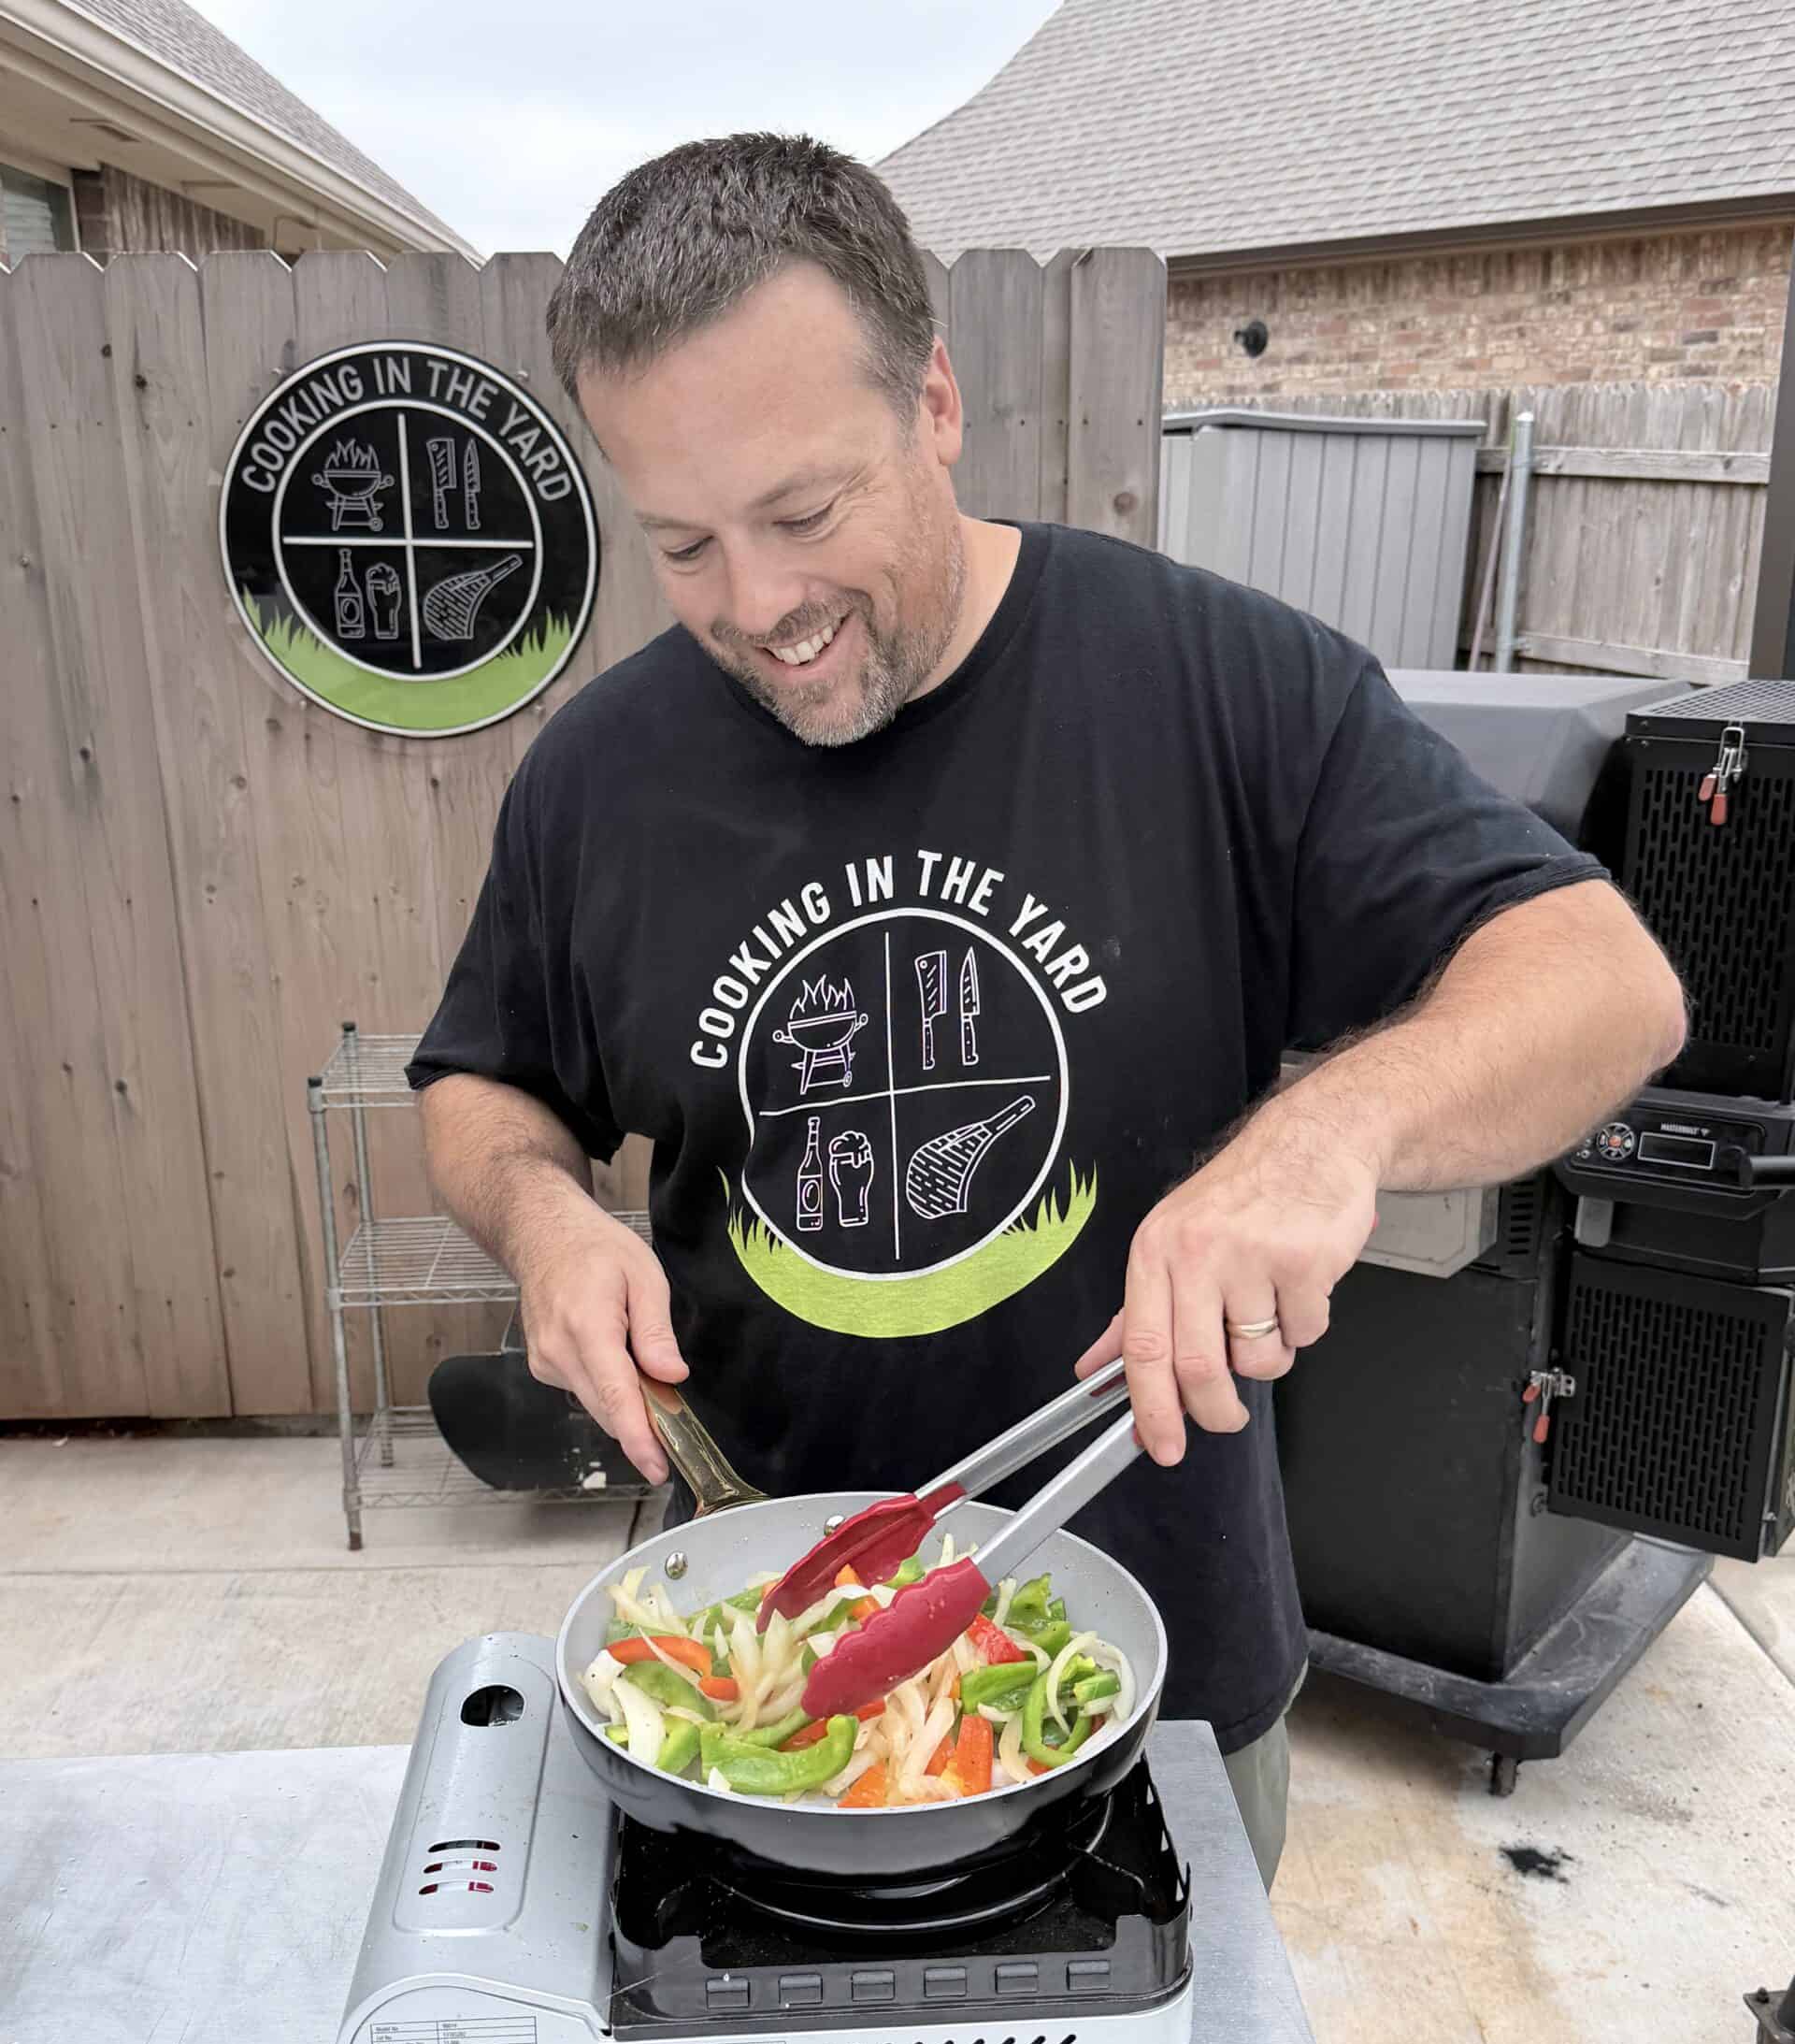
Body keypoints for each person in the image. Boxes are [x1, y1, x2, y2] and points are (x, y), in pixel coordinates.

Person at [409, 134, 1685, 1888]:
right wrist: (545, 1219)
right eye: (684, 544)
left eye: (803, 514)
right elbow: (482, 1080)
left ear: (934, 399)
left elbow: (1606, 981)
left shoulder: (1219, 686)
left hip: (1161, 1676)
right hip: (762, 1655)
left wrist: (1329, 1132)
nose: (759, 606)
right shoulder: (599, 776)